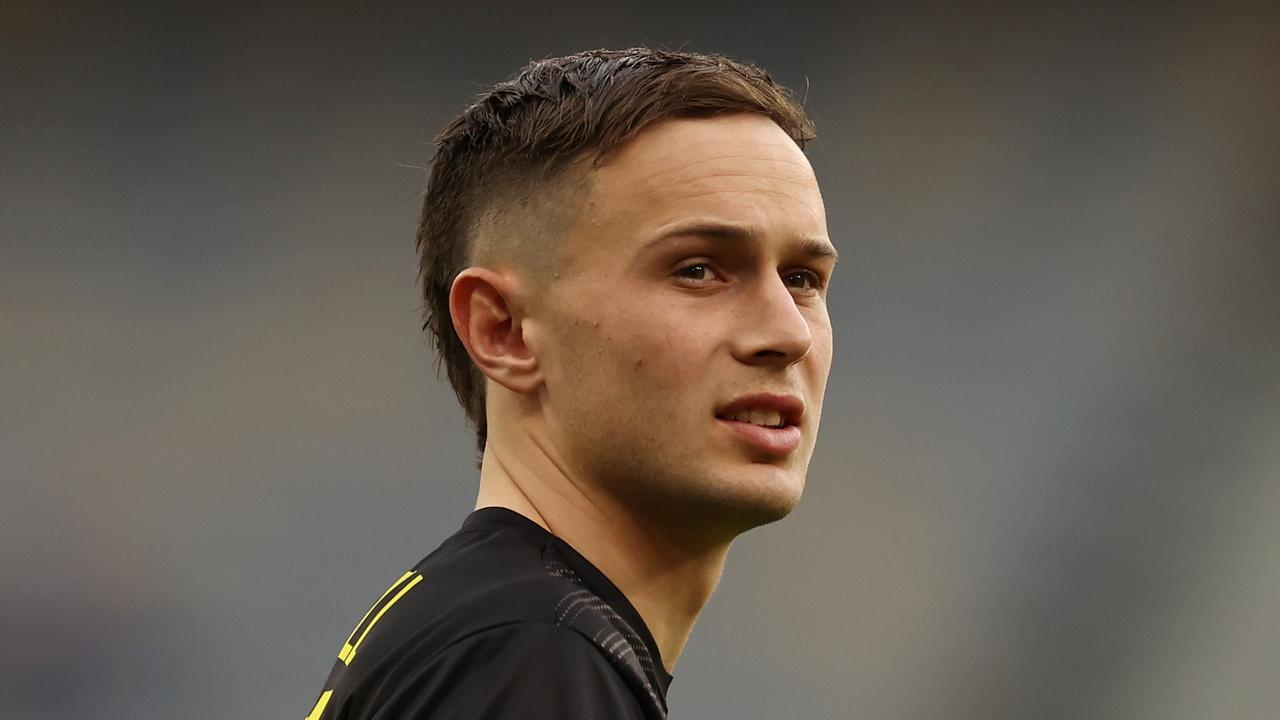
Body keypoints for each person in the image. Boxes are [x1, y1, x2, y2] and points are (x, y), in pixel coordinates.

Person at [304, 47, 837, 720]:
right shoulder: (530, 658)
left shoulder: (487, 633)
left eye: (802, 279)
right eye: (698, 270)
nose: (788, 334)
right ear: (505, 331)